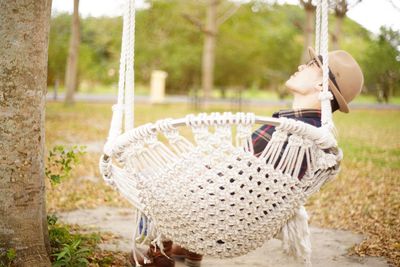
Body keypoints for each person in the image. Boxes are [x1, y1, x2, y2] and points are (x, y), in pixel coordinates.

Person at [130, 47, 364, 267]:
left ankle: (160, 251)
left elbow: (234, 180)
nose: (302, 66)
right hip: (241, 223)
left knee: (145, 175)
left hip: (216, 218)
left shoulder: (290, 135)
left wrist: (203, 171)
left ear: (320, 83)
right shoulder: (312, 133)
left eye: (312, 64)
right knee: (200, 168)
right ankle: (187, 246)